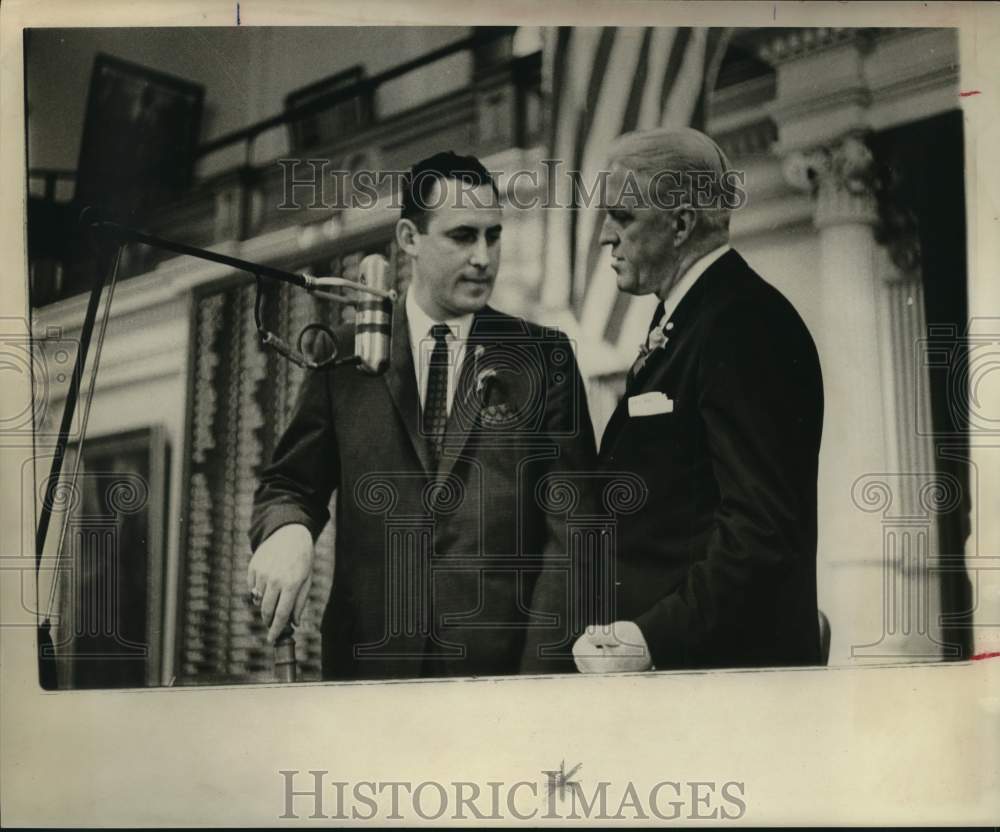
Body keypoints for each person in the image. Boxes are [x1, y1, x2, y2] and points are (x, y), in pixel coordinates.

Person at [249, 151, 596, 680]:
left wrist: (537, 682)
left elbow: (573, 533)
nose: (484, 257)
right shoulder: (341, 356)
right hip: (369, 679)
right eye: (462, 236)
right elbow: (289, 484)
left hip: (500, 687)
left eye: (493, 236)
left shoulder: (543, 360)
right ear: (409, 237)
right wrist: (289, 532)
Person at [572, 127, 824, 672]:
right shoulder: (693, 320)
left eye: (622, 216)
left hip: (721, 677)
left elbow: (759, 533)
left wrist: (651, 639)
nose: (604, 238)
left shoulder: (743, 324)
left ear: (681, 223)